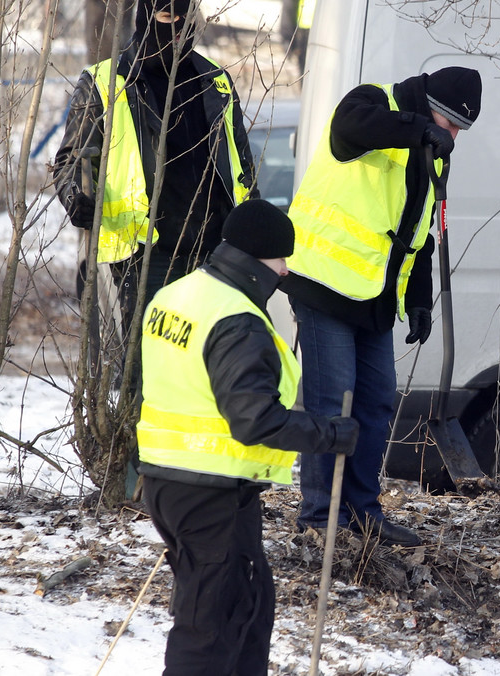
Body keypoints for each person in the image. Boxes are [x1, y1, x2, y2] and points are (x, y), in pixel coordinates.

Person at [137, 199, 359, 675]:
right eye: (282, 259)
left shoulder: (176, 295)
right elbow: (255, 420)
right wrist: (332, 434)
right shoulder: (237, 319)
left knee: (249, 608)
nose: (285, 271)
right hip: (210, 491)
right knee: (211, 625)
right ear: (261, 259)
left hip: (172, 483)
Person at [283, 67, 482, 547]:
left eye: (460, 129)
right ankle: (319, 520)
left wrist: (418, 301)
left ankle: (362, 511)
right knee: (332, 406)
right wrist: (419, 128)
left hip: (373, 297)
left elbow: (418, 236)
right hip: (325, 283)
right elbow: (350, 128)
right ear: (428, 104)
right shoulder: (373, 103)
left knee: (375, 405)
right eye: (450, 122)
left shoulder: (431, 150)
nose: (452, 135)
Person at [53, 0, 258, 341]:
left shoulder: (215, 81)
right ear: (146, 17)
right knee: (147, 365)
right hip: (147, 255)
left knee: (211, 365)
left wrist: (255, 236)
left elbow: (243, 168)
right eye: (166, 16)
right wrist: (77, 197)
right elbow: (72, 159)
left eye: (186, 17)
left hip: (215, 251)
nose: (177, 28)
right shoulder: (106, 81)